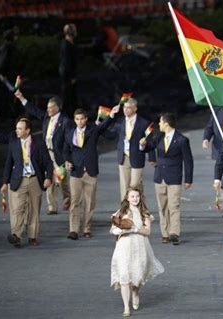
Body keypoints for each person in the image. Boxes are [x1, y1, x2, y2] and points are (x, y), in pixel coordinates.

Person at [63, 106, 119, 240]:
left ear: (86, 119)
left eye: (82, 119)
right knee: (75, 201)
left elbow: (103, 126)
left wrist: (111, 115)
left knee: (89, 202)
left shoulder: (93, 130)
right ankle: (73, 230)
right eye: (77, 119)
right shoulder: (70, 133)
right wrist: (67, 161)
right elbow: (66, 150)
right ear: (74, 120)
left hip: (90, 171)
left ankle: (87, 229)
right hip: (76, 171)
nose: (80, 121)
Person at [139, 113, 194, 245]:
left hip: (174, 177)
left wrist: (188, 179)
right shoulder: (158, 136)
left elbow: (188, 161)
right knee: (162, 207)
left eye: (161, 122)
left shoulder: (181, 140)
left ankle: (174, 233)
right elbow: (149, 147)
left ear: (166, 124)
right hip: (160, 177)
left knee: (174, 205)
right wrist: (142, 144)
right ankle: (165, 233)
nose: (159, 124)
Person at [14, 90, 71, 215]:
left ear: (58, 108)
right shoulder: (46, 117)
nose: (48, 110)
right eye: (47, 107)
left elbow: (67, 140)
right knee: (49, 177)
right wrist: (22, 98)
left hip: (59, 155)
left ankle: (68, 198)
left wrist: (68, 157)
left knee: (62, 180)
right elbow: (34, 110)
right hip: (47, 153)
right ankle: (52, 207)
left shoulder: (65, 121)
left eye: (51, 107)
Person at [110, 186, 164, 317]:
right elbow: (112, 229)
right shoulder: (121, 212)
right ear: (127, 198)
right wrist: (118, 230)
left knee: (137, 274)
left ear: (140, 198)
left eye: (137, 196)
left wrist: (134, 229)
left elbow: (147, 231)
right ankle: (126, 307)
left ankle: (135, 292)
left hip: (139, 246)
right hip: (124, 246)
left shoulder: (144, 212)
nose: (135, 199)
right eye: (132, 196)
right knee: (124, 276)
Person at [0, 117, 53, 247]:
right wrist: (5, 182)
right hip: (18, 180)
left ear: (27, 130)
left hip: (35, 179)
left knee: (34, 209)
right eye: (17, 128)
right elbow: (9, 163)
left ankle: (32, 236)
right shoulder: (14, 143)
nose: (16, 131)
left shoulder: (39, 143)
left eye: (20, 128)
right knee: (17, 209)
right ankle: (16, 236)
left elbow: (48, 162)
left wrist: (48, 177)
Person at [104, 97, 156, 199]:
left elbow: (150, 140)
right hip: (123, 158)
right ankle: (125, 211)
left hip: (137, 156)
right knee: (124, 187)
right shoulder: (120, 122)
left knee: (135, 186)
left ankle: (140, 210)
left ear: (135, 109)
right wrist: (103, 124)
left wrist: (152, 157)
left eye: (128, 108)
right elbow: (110, 135)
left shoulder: (143, 123)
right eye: (124, 107)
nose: (125, 110)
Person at [0, 29, 19, 119]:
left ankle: (0, 116)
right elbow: (3, 62)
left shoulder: (4, 47)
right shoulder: (8, 48)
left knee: (2, 98)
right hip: (3, 78)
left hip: (2, 77)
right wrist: (2, 74)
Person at [59, 24, 78, 117]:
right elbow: (67, 62)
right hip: (67, 74)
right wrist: (72, 76)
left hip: (69, 73)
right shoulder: (66, 44)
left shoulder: (70, 43)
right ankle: (66, 115)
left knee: (71, 95)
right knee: (67, 95)